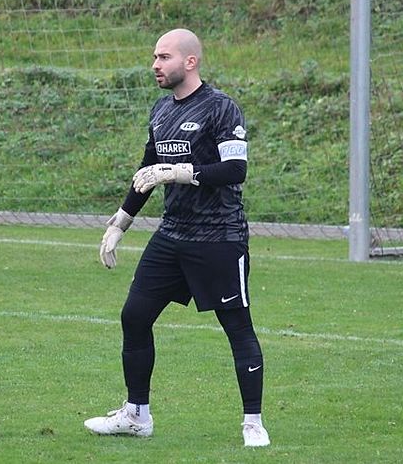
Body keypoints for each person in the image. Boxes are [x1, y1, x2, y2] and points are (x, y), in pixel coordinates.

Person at [85, 28, 270, 447]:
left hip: (219, 236)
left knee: (237, 327)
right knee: (134, 317)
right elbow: (148, 169)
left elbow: (235, 170)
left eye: (164, 57)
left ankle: (253, 424)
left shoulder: (221, 107)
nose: (155, 65)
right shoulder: (160, 109)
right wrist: (120, 222)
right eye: (154, 57)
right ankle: (136, 415)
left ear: (190, 61)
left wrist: (180, 172)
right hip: (173, 235)